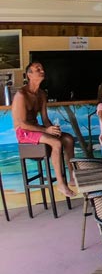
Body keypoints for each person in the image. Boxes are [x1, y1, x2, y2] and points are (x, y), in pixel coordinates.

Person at [12, 62, 77, 198]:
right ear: (29, 75)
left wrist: (53, 129)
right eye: (38, 69)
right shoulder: (21, 95)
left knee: (68, 139)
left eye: (42, 68)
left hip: (37, 130)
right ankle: (60, 183)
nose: (42, 71)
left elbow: (45, 119)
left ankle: (72, 177)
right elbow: (22, 124)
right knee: (56, 143)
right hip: (23, 133)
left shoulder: (41, 94)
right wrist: (47, 131)